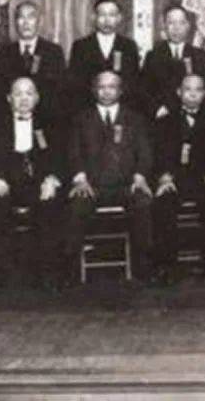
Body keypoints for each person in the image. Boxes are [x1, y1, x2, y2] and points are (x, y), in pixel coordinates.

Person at [0, 77, 67, 291]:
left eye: (29, 93)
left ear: (37, 98)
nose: (24, 99)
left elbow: (62, 157)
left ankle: (49, 276)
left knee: (54, 206)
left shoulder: (52, 125)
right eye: (18, 94)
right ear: (9, 98)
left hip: (39, 185)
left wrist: (52, 180)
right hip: (5, 184)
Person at [65, 71, 154, 283]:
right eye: (102, 87)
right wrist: (80, 179)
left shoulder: (135, 119)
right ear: (94, 90)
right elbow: (73, 153)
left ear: (120, 91)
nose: (106, 91)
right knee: (75, 206)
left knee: (143, 203)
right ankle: (70, 272)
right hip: (91, 186)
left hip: (126, 185)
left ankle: (144, 269)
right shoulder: (81, 119)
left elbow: (145, 153)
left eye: (112, 87)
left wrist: (140, 177)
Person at [151, 73, 205, 282]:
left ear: (204, 94)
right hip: (174, 178)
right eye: (187, 90)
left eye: (197, 90)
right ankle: (167, 266)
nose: (192, 95)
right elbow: (159, 155)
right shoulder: (165, 121)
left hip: (203, 178)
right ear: (179, 92)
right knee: (163, 203)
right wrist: (164, 177)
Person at [0, 1, 67, 124]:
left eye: (31, 17)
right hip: (11, 122)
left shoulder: (53, 52)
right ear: (15, 22)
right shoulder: (4, 53)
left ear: (39, 21)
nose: (26, 23)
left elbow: (60, 93)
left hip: (46, 122)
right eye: (21, 18)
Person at [67, 0, 142, 112]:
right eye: (102, 15)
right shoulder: (81, 46)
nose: (107, 20)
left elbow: (133, 80)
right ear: (94, 17)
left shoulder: (128, 46)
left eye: (111, 15)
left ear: (119, 18)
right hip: (88, 108)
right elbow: (75, 82)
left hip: (121, 108)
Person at [139, 5, 205, 120]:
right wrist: (157, 110)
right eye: (171, 23)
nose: (176, 28)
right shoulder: (153, 55)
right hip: (162, 117)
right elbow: (144, 89)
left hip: (193, 116)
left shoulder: (200, 55)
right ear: (164, 26)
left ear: (188, 26)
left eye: (181, 23)